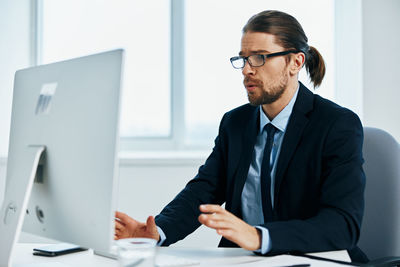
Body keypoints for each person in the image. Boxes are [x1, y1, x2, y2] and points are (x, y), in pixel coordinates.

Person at [114, 10, 367, 262]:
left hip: (314, 260)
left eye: (259, 57)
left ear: (295, 62)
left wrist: (259, 236)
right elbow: (203, 191)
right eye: (243, 58)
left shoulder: (336, 125)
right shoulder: (235, 123)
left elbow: (342, 225)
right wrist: (157, 232)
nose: (247, 70)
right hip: (246, 260)